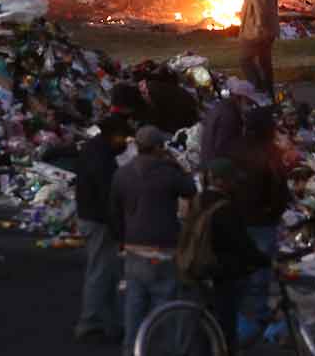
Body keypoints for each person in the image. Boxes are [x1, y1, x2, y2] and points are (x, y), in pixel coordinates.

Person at [109, 125, 198, 355]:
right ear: (159, 148)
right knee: (165, 306)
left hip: (134, 247)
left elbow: (115, 212)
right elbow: (190, 189)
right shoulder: (168, 173)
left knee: (134, 304)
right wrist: (177, 163)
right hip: (163, 247)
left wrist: (122, 239)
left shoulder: (123, 173)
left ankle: (131, 349)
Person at [191, 158, 273, 352]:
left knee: (208, 320)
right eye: (231, 180)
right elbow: (241, 244)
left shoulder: (199, 200)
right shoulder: (224, 208)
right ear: (220, 181)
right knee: (226, 323)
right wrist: (265, 261)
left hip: (202, 268)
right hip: (223, 272)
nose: (234, 184)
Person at [73, 114, 130, 343]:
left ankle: (110, 322)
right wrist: (118, 226)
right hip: (98, 219)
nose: (124, 142)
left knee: (107, 272)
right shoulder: (101, 157)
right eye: (122, 137)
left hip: (90, 215)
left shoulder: (95, 149)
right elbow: (106, 194)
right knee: (100, 271)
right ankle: (91, 322)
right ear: (112, 135)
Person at [231, 107, 289, 328]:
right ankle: (256, 316)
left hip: (235, 220)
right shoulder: (270, 153)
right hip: (262, 222)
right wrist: (274, 213)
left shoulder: (234, 149)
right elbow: (279, 190)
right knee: (260, 273)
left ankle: (238, 316)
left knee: (238, 270)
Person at [238, 0, 280, 94]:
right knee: (265, 62)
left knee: (245, 60)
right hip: (269, 29)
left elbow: (260, 6)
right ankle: (269, 93)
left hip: (257, 30)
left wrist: (258, 28)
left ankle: (258, 91)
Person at [199, 77, 263, 166]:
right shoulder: (229, 116)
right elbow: (224, 147)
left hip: (209, 162)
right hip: (215, 168)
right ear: (239, 98)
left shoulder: (222, 106)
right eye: (248, 102)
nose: (249, 106)